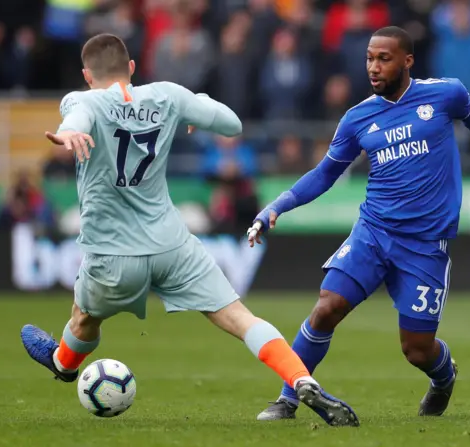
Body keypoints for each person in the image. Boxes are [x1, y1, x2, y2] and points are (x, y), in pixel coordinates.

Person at [20, 33, 358, 427]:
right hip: (171, 245)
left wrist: (69, 133)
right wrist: (197, 108)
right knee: (238, 317)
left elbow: (74, 117)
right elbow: (230, 124)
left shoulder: (83, 100)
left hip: (112, 253)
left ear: (86, 74)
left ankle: (62, 363)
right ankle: (300, 377)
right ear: (131, 68)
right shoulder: (168, 95)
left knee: (83, 318)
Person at [247, 26, 470, 421]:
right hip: (373, 232)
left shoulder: (445, 94)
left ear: (407, 61)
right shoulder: (357, 118)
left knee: (417, 350)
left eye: (383, 58)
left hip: (424, 244)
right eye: (369, 58)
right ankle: (288, 398)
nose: (373, 66)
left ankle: (443, 378)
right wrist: (277, 206)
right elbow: (324, 173)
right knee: (326, 307)